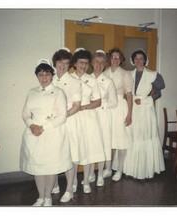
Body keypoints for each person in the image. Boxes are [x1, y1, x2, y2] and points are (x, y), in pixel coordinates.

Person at [20, 59, 72, 206]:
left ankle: (48, 197)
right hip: (34, 133)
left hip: (52, 132)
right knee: (38, 167)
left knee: (50, 166)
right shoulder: (32, 92)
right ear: (37, 76)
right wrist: (32, 126)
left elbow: (62, 116)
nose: (44, 78)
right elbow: (25, 114)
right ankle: (41, 197)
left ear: (52, 75)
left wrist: (43, 128)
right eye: (41, 74)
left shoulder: (58, 92)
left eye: (47, 74)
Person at [123, 48, 165, 179]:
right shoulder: (128, 74)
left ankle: (145, 170)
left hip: (146, 110)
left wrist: (146, 100)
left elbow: (158, 93)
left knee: (145, 136)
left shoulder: (153, 75)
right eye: (136, 59)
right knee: (132, 136)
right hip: (132, 109)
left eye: (141, 58)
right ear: (133, 60)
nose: (138, 61)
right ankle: (130, 169)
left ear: (145, 60)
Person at [51, 48, 84, 202]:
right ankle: (55, 185)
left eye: (66, 63)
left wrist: (63, 117)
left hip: (69, 121)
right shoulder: (51, 79)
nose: (63, 66)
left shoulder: (74, 82)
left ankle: (70, 189)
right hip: (54, 123)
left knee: (71, 156)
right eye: (60, 62)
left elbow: (77, 105)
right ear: (55, 63)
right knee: (56, 153)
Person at [71, 48, 105, 193]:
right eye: (81, 62)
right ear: (75, 63)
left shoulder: (91, 80)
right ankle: (72, 182)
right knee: (74, 150)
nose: (84, 65)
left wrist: (84, 107)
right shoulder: (69, 78)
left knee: (88, 149)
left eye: (86, 63)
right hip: (72, 117)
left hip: (87, 116)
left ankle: (85, 181)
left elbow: (98, 101)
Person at [88, 50, 118, 186]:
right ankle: (90, 174)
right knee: (90, 144)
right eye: (96, 62)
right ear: (92, 63)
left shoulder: (108, 81)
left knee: (103, 145)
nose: (99, 64)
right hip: (89, 116)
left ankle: (100, 174)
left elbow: (114, 102)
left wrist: (101, 103)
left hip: (104, 115)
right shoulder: (86, 79)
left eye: (102, 62)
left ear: (105, 64)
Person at [104, 48, 133, 182]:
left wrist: (129, 114)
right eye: (113, 57)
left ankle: (120, 169)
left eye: (118, 57)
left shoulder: (125, 74)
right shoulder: (104, 73)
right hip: (107, 109)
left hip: (121, 108)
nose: (115, 59)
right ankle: (108, 169)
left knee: (121, 140)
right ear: (109, 59)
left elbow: (129, 95)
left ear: (121, 60)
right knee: (108, 139)